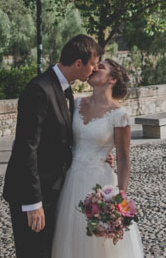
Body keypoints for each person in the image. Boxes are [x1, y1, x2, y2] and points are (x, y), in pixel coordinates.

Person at [3, 34, 102, 258]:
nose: (94, 70)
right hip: (32, 193)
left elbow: (61, 141)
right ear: (78, 63)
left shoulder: (65, 89)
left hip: (54, 190)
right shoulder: (39, 89)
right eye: (93, 64)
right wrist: (33, 203)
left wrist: (96, 156)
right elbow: (26, 148)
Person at [51, 58, 145, 258]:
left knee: (100, 245)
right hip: (71, 182)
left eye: (100, 67)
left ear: (111, 79)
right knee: (71, 241)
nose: (94, 68)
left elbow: (123, 160)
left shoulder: (120, 115)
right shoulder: (75, 103)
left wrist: (119, 200)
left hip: (101, 186)